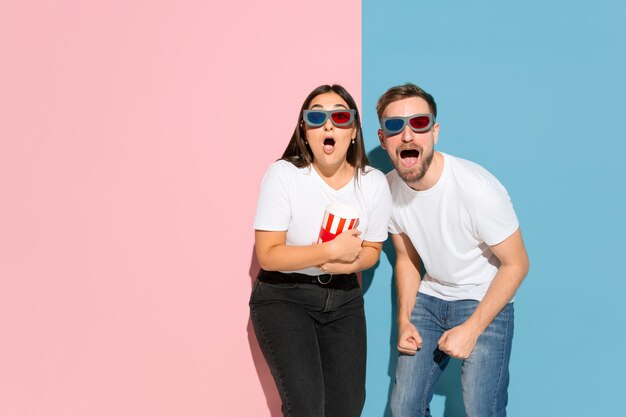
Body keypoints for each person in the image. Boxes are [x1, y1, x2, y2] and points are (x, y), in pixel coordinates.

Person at [376, 83, 529, 417]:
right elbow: (406, 258)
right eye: (394, 126)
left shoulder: (478, 190)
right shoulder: (387, 189)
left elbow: (517, 264)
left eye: (418, 123)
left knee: (481, 410)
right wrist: (404, 321)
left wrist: (472, 329)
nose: (406, 135)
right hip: (430, 300)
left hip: (484, 297)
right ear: (382, 138)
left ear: (434, 131)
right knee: (403, 409)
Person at [249, 84, 392, 417]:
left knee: (348, 408)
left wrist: (343, 266)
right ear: (305, 129)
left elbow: (371, 250)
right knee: (307, 408)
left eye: (340, 117)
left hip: (344, 299)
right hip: (284, 296)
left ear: (353, 131)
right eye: (317, 117)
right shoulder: (283, 175)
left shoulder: (372, 182)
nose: (329, 125)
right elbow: (269, 254)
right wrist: (330, 251)